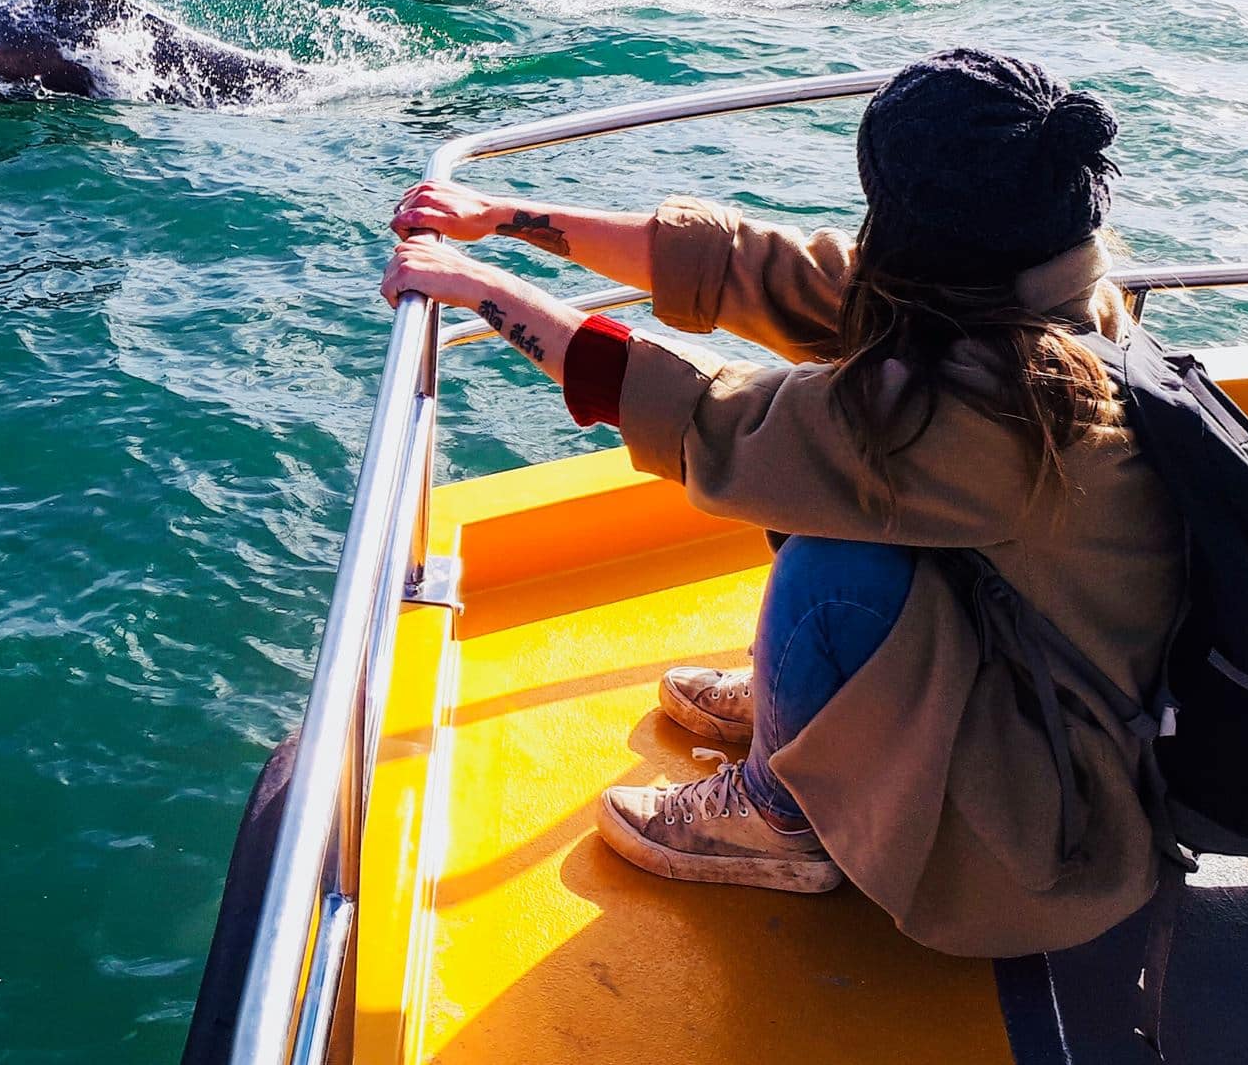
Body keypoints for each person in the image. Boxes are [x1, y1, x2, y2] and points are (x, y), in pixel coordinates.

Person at [380, 48, 1183, 957]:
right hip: (1023, 676)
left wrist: (481, 291)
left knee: (833, 548)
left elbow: (720, 418)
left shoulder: (1014, 400)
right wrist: (504, 219)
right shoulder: (1039, 285)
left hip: (1039, 827)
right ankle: (797, 706)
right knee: (834, 487)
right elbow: (758, 270)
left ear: (929, 227)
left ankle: (782, 816)